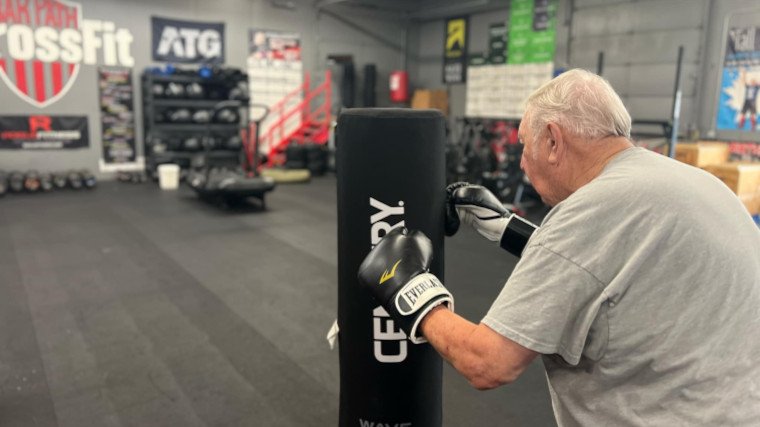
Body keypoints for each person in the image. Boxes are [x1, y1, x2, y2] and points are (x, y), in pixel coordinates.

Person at [358, 69, 760, 426]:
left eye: (524, 147)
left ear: (553, 140)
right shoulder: (692, 182)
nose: (522, 163)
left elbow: (487, 363)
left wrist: (408, 287)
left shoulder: (593, 209)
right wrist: (508, 229)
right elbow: (609, 271)